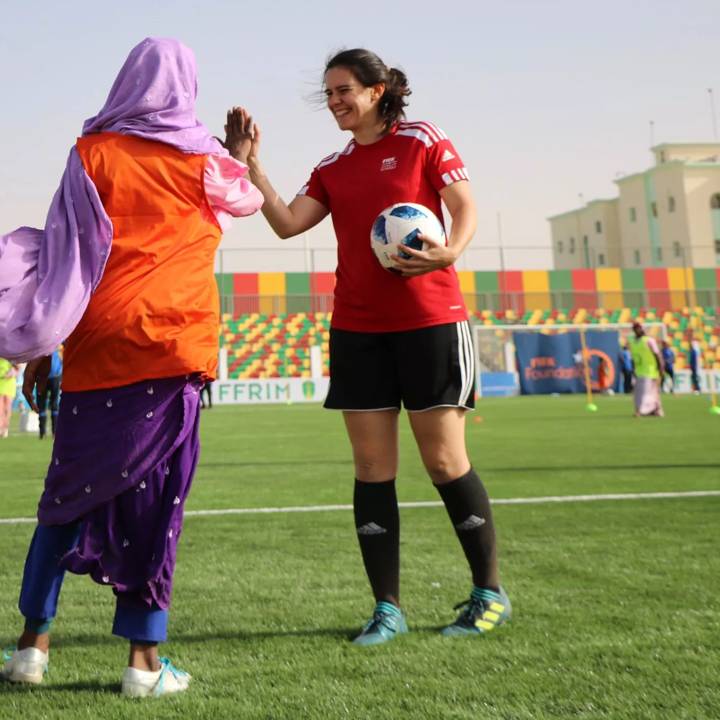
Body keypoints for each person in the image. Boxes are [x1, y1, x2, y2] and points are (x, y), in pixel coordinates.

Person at [0, 38, 262, 696]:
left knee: (64, 499)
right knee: (156, 507)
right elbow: (246, 201)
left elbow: (66, 260)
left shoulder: (90, 154)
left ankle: (31, 650)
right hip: (170, 352)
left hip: (94, 349)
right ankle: (143, 665)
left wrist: (44, 346)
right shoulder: (204, 158)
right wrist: (240, 154)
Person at [224, 48, 510, 645]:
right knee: (372, 469)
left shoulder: (421, 140)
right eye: (328, 93)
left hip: (431, 320)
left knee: (443, 462)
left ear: (378, 90)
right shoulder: (332, 167)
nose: (334, 102)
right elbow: (285, 222)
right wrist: (251, 166)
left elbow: (464, 206)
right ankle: (387, 609)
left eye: (344, 90)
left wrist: (452, 249)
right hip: (357, 329)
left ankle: (489, 593)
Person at [629, 321, 664, 417]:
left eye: (639, 328)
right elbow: (634, 357)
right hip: (639, 371)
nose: (638, 330)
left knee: (645, 392)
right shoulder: (633, 342)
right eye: (636, 328)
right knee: (642, 392)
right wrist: (633, 369)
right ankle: (656, 410)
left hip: (650, 370)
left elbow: (657, 354)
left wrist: (661, 368)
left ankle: (640, 411)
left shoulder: (649, 340)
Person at [37, 348, 62, 439]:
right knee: (42, 405)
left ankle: (54, 432)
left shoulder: (59, 340)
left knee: (54, 404)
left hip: (54, 376)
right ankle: (42, 433)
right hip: (43, 376)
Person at [0, 357, 19, 438]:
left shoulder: (10, 355)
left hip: (9, 384)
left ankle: (5, 428)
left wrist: (13, 372)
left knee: (7, 408)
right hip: (1, 383)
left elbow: (17, 368)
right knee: (0, 408)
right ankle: (0, 428)